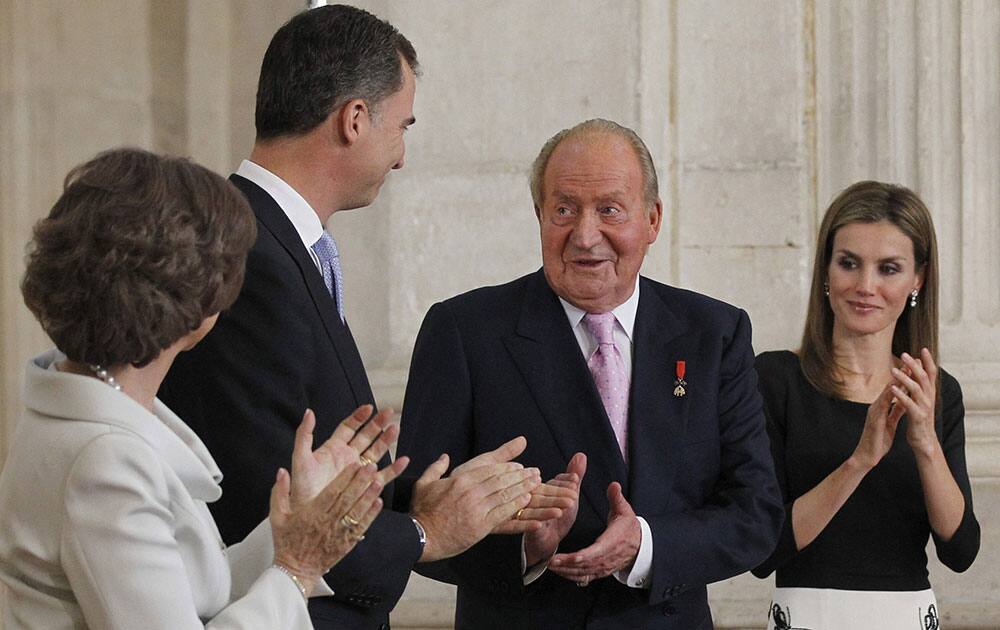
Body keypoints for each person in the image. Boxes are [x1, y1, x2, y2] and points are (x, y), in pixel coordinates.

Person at [159, 6, 567, 628]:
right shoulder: (249, 255)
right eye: (401, 126)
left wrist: (410, 502)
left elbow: (318, 458)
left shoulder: (274, 240)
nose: (401, 156)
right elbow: (267, 498)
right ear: (354, 119)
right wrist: (425, 531)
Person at [395, 118, 785, 629]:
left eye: (609, 210)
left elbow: (756, 515)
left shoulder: (714, 333)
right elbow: (413, 517)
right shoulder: (466, 332)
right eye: (564, 210)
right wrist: (528, 549)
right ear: (538, 214)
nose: (584, 235)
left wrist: (646, 545)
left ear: (652, 219)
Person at [0, 148, 407, 628]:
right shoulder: (105, 461)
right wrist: (297, 569)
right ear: (195, 303)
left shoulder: (95, 410)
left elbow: (194, 587)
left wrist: (299, 522)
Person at [751, 181, 981, 629]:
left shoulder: (937, 391)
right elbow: (765, 549)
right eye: (849, 264)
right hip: (806, 616)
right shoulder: (776, 380)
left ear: (918, 279)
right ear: (826, 270)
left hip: (908, 616)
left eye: (889, 268)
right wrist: (860, 461)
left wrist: (926, 442)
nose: (865, 286)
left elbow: (961, 550)